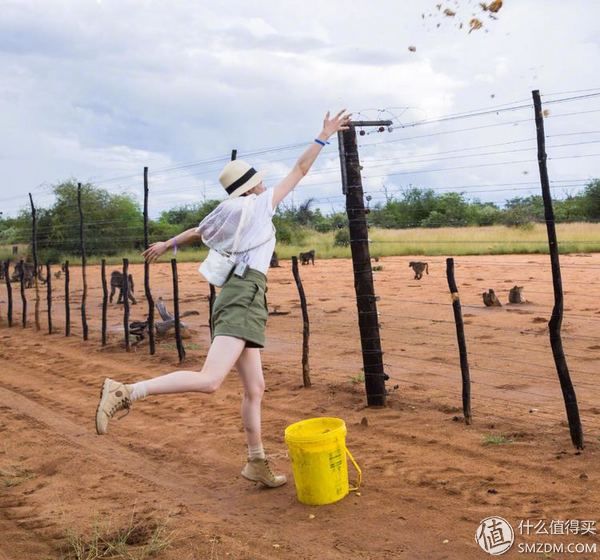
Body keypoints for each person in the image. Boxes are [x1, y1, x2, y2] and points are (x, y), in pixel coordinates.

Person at [95, 110, 351, 488]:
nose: (266, 187)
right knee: (211, 379)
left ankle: (255, 462)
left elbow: (199, 231)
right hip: (244, 295)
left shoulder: (230, 212)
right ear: (253, 187)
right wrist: (323, 136)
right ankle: (127, 391)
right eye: (260, 183)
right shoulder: (258, 206)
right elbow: (300, 170)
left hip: (244, 294)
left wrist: (169, 242)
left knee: (255, 388)